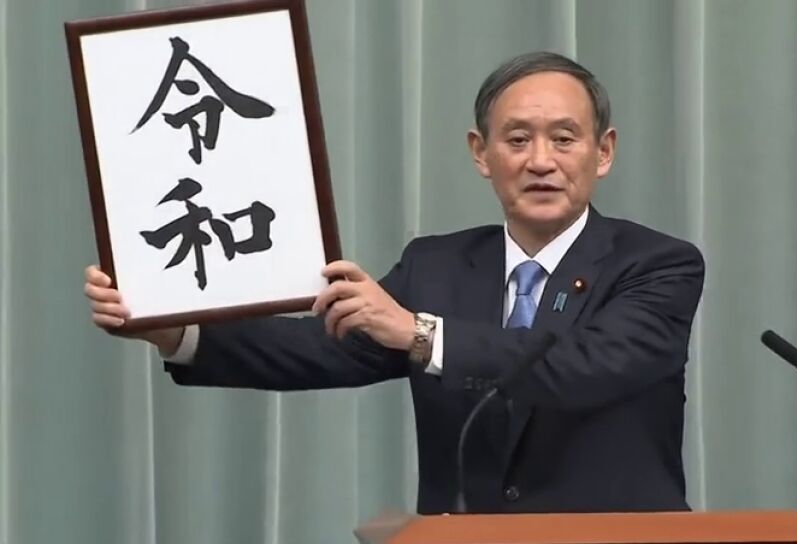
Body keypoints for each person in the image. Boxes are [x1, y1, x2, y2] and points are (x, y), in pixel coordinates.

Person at [84, 51, 705, 514]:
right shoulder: (435, 265)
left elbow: (584, 366)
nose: (540, 160)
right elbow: (325, 347)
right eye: (517, 139)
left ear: (603, 152)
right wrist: (176, 328)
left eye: (563, 139)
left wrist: (419, 333)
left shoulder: (659, 264)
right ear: (481, 153)